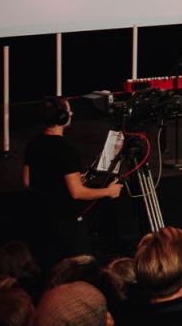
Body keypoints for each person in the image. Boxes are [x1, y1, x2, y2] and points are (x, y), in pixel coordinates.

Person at [21, 97, 121, 267]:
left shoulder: (32, 144)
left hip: (42, 219)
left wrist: (60, 181)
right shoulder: (67, 150)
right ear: (62, 117)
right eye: (69, 110)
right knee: (80, 267)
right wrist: (109, 191)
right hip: (66, 223)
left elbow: (28, 181)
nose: (72, 113)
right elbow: (77, 192)